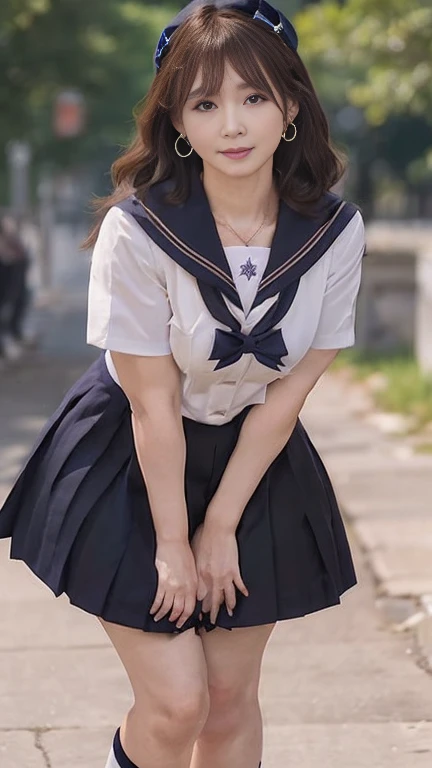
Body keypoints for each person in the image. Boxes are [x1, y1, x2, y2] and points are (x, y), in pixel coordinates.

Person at [0, 1, 367, 766]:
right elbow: (151, 402)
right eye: (205, 103)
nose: (232, 124)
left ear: (291, 106)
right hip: (130, 455)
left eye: (254, 97)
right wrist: (176, 541)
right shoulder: (138, 232)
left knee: (230, 703)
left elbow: (290, 394)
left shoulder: (334, 234)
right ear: (177, 122)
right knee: (176, 704)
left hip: (252, 458)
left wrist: (222, 522)